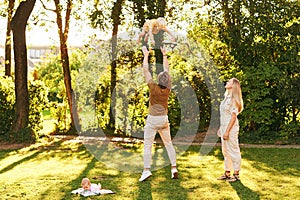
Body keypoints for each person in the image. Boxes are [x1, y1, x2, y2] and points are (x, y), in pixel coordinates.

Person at [139, 45, 178, 182]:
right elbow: (166, 70)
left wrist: (146, 55)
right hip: (164, 120)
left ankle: (146, 170)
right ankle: (174, 168)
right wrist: (165, 55)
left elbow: (145, 69)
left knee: (148, 145)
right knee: (168, 143)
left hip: (153, 120)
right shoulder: (167, 89)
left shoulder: (153, 87)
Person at [217, 78, 244, 182]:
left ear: (233, 86)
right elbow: (224, 115)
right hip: (224, 127)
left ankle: (236, 174)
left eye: (229, 82)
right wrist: (221, 128)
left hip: (231, 128)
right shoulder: (226, 97)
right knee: (225, 151)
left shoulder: (234, 99)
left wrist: (227, 131)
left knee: (233, 150)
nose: (227, 82)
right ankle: (227, 173)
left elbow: (233, 117)